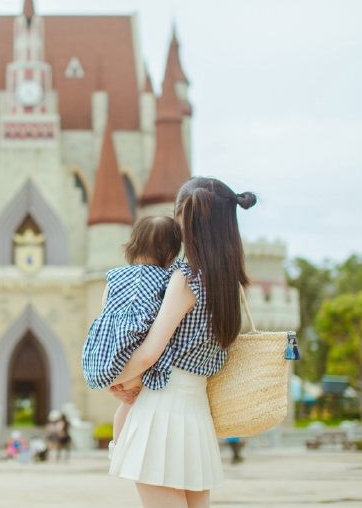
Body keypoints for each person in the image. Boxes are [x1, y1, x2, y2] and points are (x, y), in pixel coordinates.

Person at [108, 177, 257, 507]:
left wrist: (113, 378)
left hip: (162, 409)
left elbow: (150, 352)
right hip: (195, 413)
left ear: (185, 219)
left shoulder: (186, 277)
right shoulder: (228, 282)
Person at [81, 215, 182, 459]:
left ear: (131, 246)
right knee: (133, 399)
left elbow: (106, 312)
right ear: (171, 253)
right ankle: (125, 449)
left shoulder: (114, 278)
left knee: (124, 406)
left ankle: (118, 448)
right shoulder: (169, 279)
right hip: (138, 342)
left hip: (110, 346)